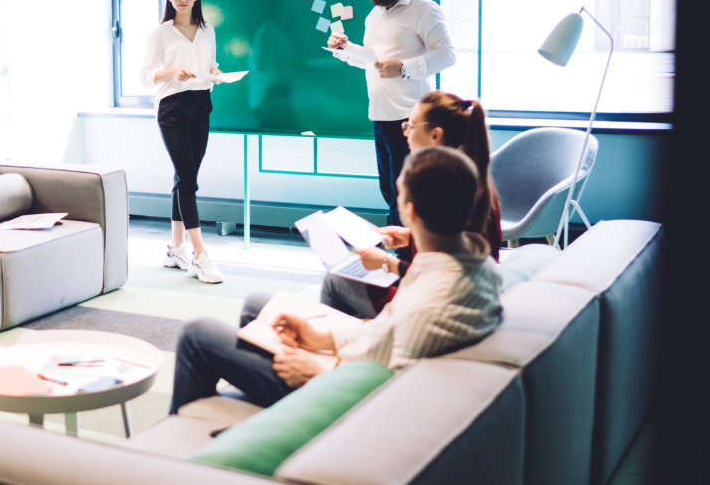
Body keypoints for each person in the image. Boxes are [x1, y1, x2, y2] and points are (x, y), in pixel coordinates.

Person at [169, 146, 501, 412]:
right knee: (259, 305)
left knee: (197, 333)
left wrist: (318, 370)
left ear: (409, 212)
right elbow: (383, 330)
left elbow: (390, 390)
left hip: (335, 393)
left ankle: (178, 446)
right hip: (350, 360)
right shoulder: (469, 263)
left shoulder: (427, 302)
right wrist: (322, 339)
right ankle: (241, 411)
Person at [323, 90, 502, 319]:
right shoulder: (468, 177)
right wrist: (410, 235)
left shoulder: (442, 186)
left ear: (435, 135)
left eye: (411, 125)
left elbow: (443, 276)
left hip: (432, 303)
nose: (405, 132)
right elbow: (456, 245)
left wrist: (387, 263)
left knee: (335, 281)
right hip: (453, 297)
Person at [328, 0, 456, 249]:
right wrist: (345, 49)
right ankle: (398, 260)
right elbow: (375, 61)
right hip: (380, 116)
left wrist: (404, 68)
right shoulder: (375, 15)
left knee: (408, 197)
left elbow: (447, 55)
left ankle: (408, 262)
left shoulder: (424, 9)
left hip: (410, 120)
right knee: (390, 193)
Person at [139, 0, 225, 284]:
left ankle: (176, 249)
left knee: (184, 177)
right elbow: (145, 75)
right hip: (172, 107)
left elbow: (209, 65)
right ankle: (201, 255)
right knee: (188, 180)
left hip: (201, 104)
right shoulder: (161, 34)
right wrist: (173, 72)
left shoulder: (206, 29)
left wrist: (214, 72)